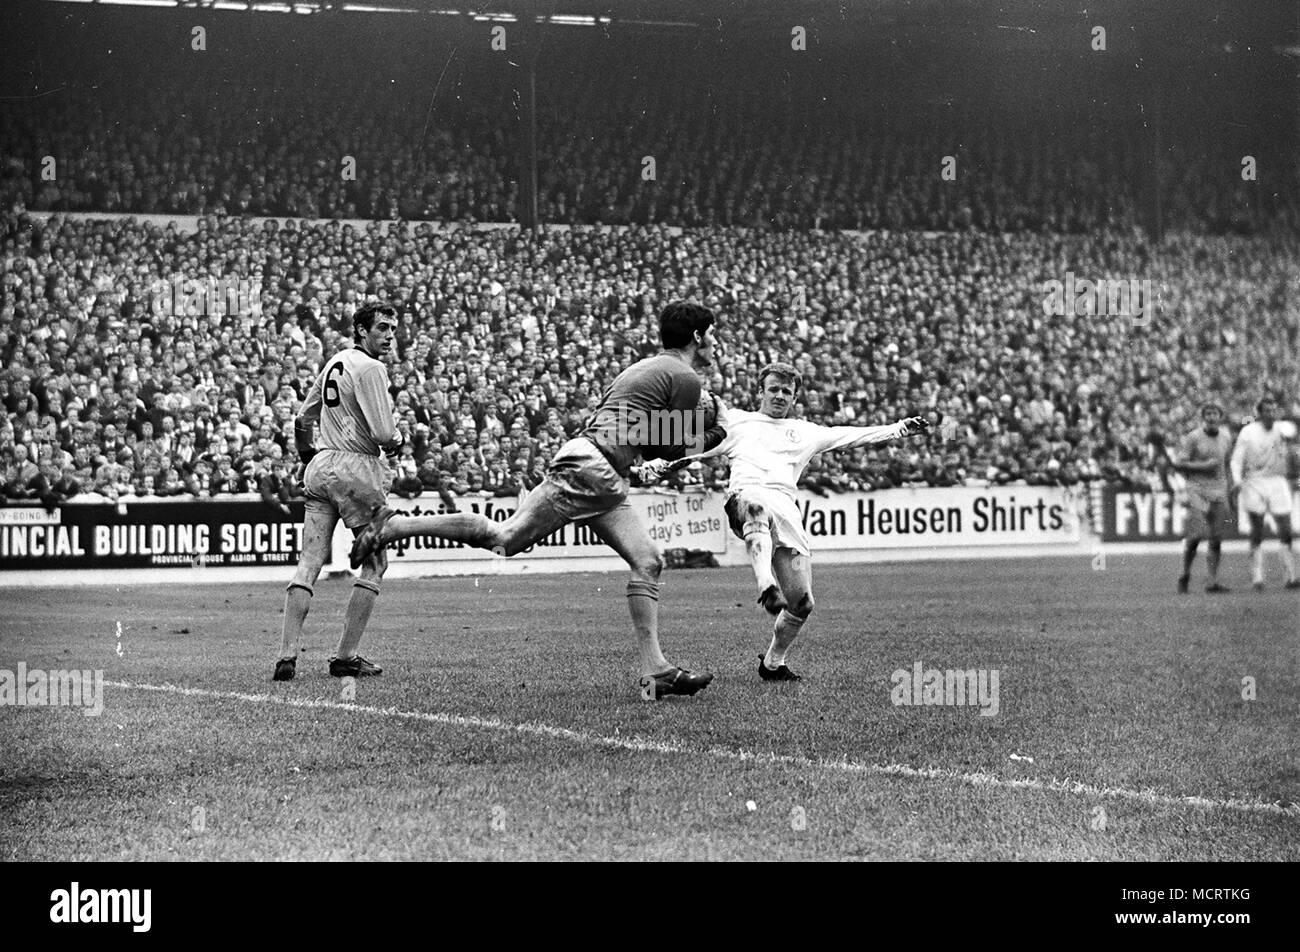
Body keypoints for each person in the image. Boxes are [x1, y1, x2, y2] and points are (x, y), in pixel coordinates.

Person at [349, 302, 725, 699]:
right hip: (594, 468)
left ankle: (657, 671)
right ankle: (392, 526)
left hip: (601, 471)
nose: (715, 341)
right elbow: (665, 447)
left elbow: (646, 444)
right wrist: (711, 435)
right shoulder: (685, 377)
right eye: (712, 332)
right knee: (506, 537)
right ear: (697, 336)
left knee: (648, 560)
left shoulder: (643, 368)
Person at [640, 362, 929, 681]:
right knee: (756, 509)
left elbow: (850, 437)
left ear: (794, 397)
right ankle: (765, 585)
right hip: (746, 497)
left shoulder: (806, 432)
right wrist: (657, 465)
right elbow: (696, 447)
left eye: (786, 391)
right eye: (773, 389)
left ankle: (772, 664)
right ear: (760, 391)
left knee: (802, 603)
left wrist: (899, 428)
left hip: (786, 513)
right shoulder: (737, 422)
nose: (779, 395)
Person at [273, 303, 403, 681]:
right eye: (382, 328)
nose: (390, 335)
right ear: (362, 331)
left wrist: (308, 456)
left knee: (309, 562)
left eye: (393, 328)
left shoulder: (335, 361)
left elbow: (302, 419)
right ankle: (346, 656)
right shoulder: (373, 368)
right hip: (357, 469)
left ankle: (286, 655)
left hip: (321, 466)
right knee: (376, 563)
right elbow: (382, 434)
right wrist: (399, 438)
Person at [1229, 395, 1299, 591]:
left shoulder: (1282, 428)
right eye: (1266, 411)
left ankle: (1291, 576)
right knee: (1257, 529)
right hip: (1254, 482)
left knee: (1285, 529)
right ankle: (1257, 578)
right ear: (1258, 414)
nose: (1270, 414)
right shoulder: (1248, 433)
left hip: (1277, 481)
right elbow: (1236, 460)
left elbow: (1291, 431)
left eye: (1273, 410)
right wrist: (1236, 481)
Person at [1171, 402, 1233, 593]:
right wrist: (1203, 466)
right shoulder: (1193, 437)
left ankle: (1211, 582)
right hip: (1197, 489)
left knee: (1216, 538)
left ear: (1220, 416)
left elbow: (1225, 464)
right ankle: (1185, 574)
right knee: (1196, 535)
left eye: (1215, 413)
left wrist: (1228, 487)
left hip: (1219, 490)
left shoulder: (1226, 437)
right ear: (1203, 417)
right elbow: (1179, 464)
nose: (1212, 417)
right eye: (1208, 413)